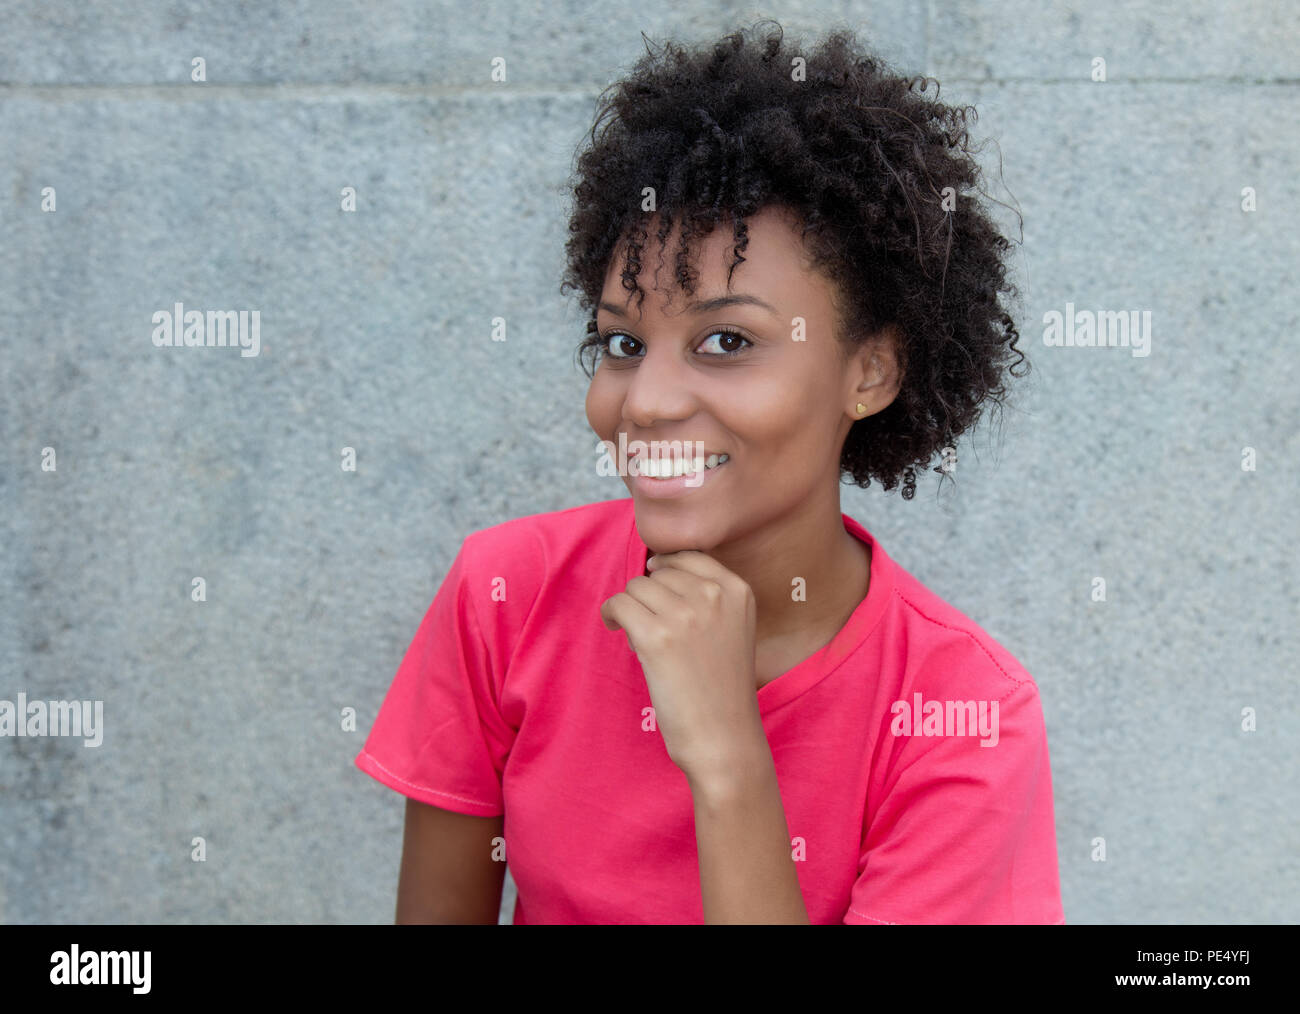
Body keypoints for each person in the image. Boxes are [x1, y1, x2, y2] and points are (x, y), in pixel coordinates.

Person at [355, 19, 1064, 924]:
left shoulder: (961, 715)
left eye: (726, 342)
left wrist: (727, 756)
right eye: (622, 342)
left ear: (870, 372)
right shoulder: (506, 597)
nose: (645, 402)